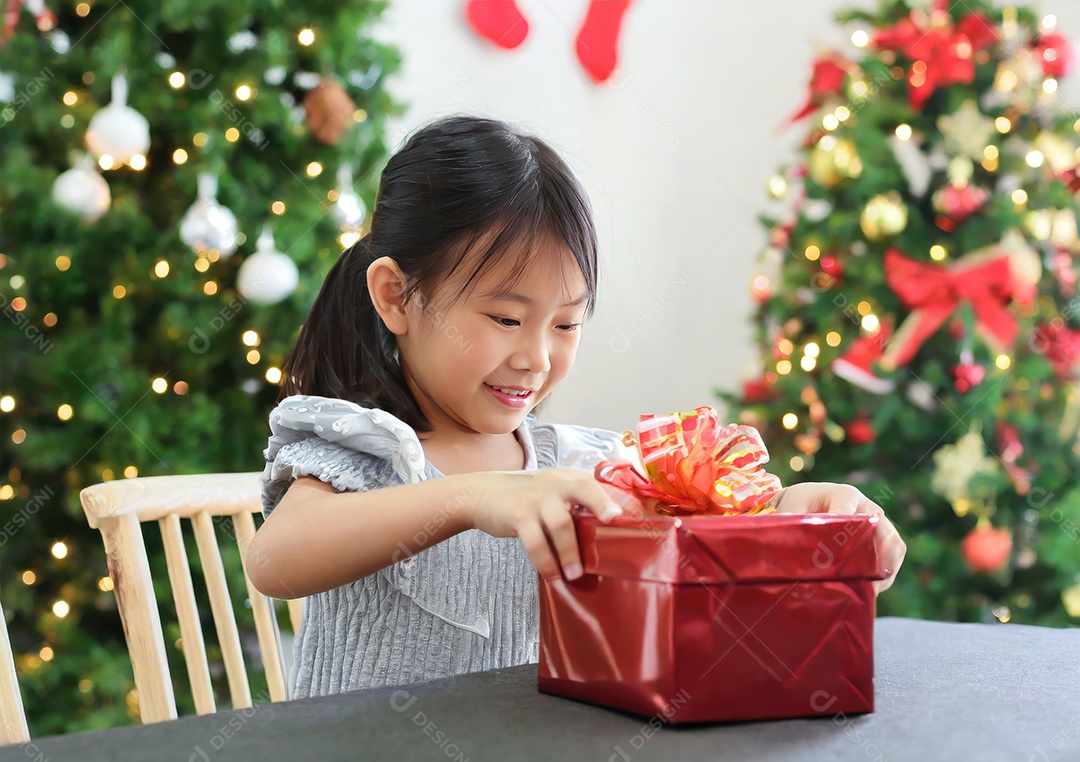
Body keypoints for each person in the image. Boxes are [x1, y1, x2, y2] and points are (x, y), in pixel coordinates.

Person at [247, 115, 906, 699]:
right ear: (396, 297)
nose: (537, 358)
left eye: (566, 325)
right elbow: (276, 560)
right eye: (506, 317)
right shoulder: (364, 448)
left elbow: (697, 536)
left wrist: (792, 515)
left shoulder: (584, 468)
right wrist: (471, 497)